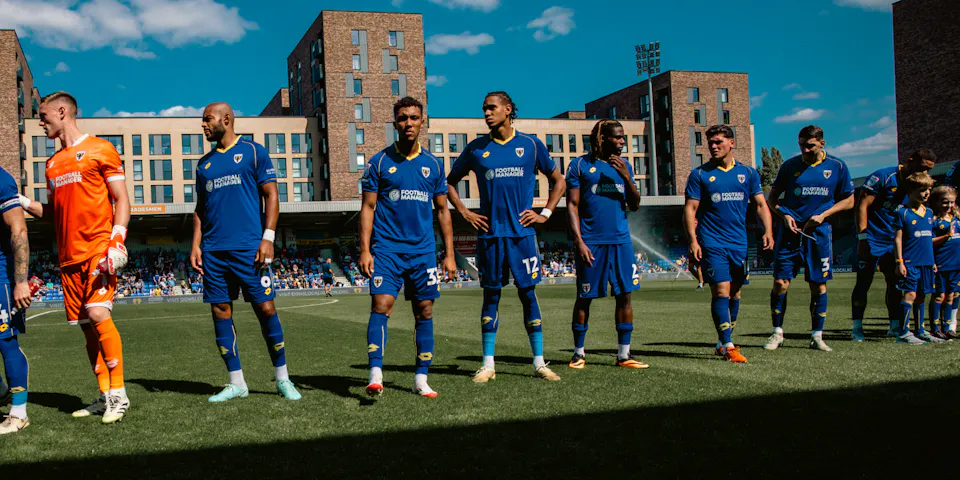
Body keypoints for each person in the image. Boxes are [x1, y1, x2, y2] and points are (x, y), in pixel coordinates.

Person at [21, 92, 131, 423]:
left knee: (98, 314)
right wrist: (21, 202)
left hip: (98, 249)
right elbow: (54, 213)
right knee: (86, 329)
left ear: (62, 111)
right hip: (68, 258)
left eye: (43, 116)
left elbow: (122, 199)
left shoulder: (101, 149)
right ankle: (103, 395)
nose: (40, 123)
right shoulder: (52, 164)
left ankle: (119, 395)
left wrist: (117, 241)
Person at [447, 91, 566, 382]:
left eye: (492, 108)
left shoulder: (531, 145)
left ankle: (539, 362)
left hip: (522, 235)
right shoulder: (476, 149)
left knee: (528, 294)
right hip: (490, 236)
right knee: (491, 295)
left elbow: (559, 180)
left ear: (508, 109)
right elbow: (447, 183)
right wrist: (465, 212)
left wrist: (545, 213)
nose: (487, 113)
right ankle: (488, 365)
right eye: (484, 109)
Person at [191, 102, 301, 403]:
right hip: (214, 251)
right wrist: (196, 244)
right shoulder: (204, 164)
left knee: (266, 309)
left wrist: (268, 237)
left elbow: (271, 194)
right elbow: (200, 209)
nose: (203, 125)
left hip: (250, 248)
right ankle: (236, 382)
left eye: (208, 119)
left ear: (226, 119)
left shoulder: (253, 152)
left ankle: (282, 378)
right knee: (220, 311)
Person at [358, 97, 456, 398]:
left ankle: (421, 378)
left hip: (423, 251)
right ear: (395, 123)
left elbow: (443, 210)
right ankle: (376, 374)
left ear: (422, 121)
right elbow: (368, 207)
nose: (408, 123)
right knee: (381, 305)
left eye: (414, 117)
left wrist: (450, 254)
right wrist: (365, 250)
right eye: (402, 118)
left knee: (424, 310)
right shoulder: (379, 162)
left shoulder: (433, 165)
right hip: (387, 249)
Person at [683, 125, 774, 363]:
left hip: (739, 242)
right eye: (710, 143)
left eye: (718, 142)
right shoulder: (699, 175)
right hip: (712, 241)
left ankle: (721, 342)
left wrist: (768, 230)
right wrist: (693, 240)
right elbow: (690, 209)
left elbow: (761, 205)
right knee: (721, 291)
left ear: (731, 143)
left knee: (735, 292)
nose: (713, 146)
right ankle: (728, 345)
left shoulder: (748, 173)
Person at [565, 120, 647, 370]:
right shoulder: (579, 165)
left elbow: (635, 204)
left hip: (621, 241)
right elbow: (572, 205)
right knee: (584, 297)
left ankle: (624, 354)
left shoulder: (625, 166)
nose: (622, 141)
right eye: (618, 137)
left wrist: (626, 177)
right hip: (592, 242)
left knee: (625, 295)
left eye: (623, 137)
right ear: (602, 139)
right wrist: (579, 241)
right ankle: (578, 353)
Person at [764, 126, 854, 352]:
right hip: (790, 232)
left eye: (810, 145)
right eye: (802, 145)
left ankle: (817, 336)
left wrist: (824, 215)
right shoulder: (789, 166)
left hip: (819, 233)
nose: (805, 149)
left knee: (818, 285)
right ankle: (777, 332)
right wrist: (784, 215)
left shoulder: (837, 166)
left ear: (822, 143)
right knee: (780, 282)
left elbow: (849, 201)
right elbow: (772, 199)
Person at [851, 149, 936, 341]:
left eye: (928, 170)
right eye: (922, 167)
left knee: (896, 283)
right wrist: (862, 237)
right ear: (910, 161)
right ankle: (857, 328)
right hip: (872, 238)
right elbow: (862, 205)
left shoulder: (917, 185)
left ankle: (895, 326)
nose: (925, 172)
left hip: (895, 241)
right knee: (864, 282)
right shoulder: (883, 177)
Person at [0, 168, 33, 434]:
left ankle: (19, 413)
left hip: (0, 276)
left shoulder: (1, 180)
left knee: (5, 340)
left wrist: (20, 281)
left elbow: (19, 230)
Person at [893, 172, 939, 344]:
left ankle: (920, 330)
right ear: (911, 191)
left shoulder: (929, 212)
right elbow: (897, 239)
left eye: (928, 190)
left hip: (926, 262)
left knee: (922, 295)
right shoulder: (902, 213)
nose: (926, 193)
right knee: (910, 295)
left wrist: (933, 261)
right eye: (922, 190)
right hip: (910, 262)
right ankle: (904, 333)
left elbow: (929, 239)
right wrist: (899, 262)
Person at [929, 186, 960, 339]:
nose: (949, 205)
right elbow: (929, 241)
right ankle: (935, 328)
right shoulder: (934, 221)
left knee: (950, 296)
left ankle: (947, 328)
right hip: (941, 264)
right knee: (939, 297)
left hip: (956, 265)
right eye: (945, 202)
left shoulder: (956, 220)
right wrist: (946, 236)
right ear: (936, 202)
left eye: (951, 202)